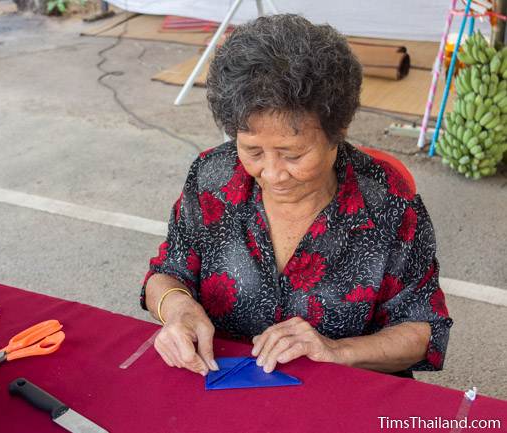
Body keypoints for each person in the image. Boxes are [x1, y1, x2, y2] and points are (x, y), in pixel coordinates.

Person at [140, 14, 452, 378]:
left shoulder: (387, 202)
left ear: (338, 131)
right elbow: (166, 272)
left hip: (341, 396)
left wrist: (337, 350)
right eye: (253, 151)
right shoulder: (212, 177)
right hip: (223, 383)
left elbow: (422, 330)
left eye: (293, 154)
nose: (272, 174)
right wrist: (177, 308)